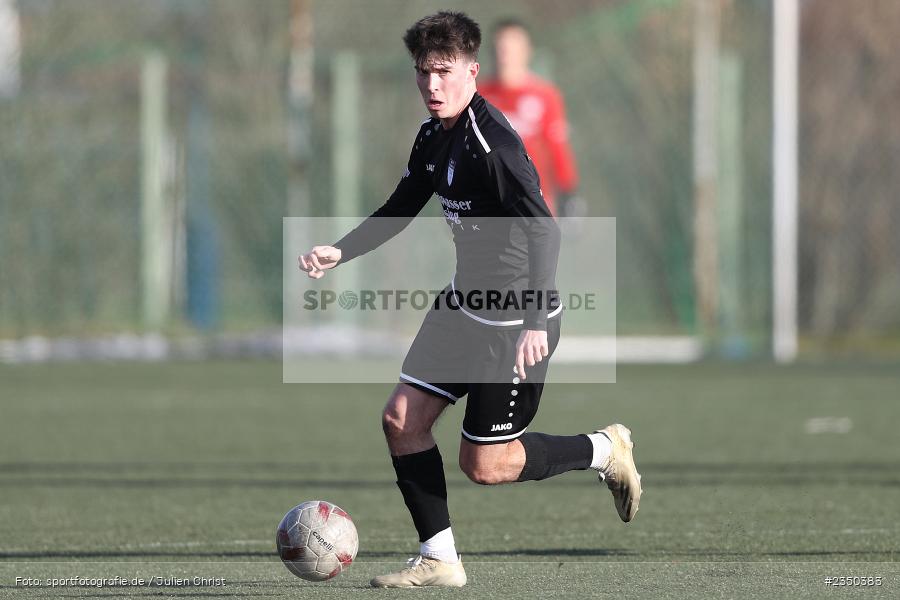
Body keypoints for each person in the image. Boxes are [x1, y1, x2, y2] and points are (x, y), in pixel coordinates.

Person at [299, 11, 641, 589]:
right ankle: (440, 558)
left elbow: (544, 231)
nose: (432, 86)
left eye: (443, 72)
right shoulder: (434, 135)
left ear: (471, 72)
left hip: (514, 323)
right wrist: (341, 251)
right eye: (422, 73)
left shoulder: (494, 145)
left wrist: (534, 320)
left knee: (486, 465)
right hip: (463, 306)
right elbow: (400, 207)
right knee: (400, 420)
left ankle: (603, 449)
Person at [479, 18, 582, 217]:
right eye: (501, 47)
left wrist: (568, 192)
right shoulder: (478, 95)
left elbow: (557, 146)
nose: (505, 54)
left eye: (512, 47)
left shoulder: (545, 95)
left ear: (527, 51)